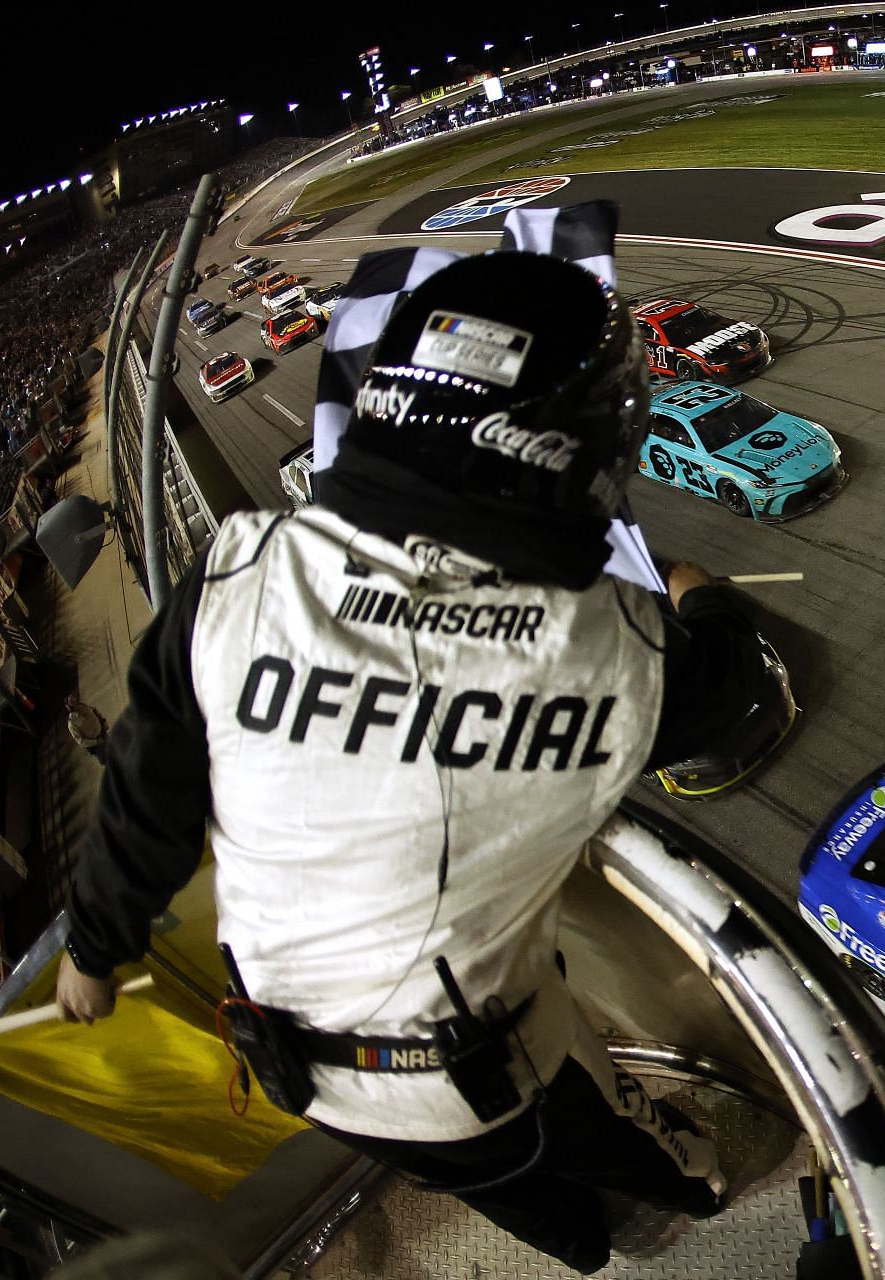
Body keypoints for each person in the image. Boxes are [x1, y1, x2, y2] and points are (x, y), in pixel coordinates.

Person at [54, 230, 760, 1272]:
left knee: (488, 1183)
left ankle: (577, 1248)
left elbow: (146, 794)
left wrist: (91, 947)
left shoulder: (233, 575)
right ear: (575, 444)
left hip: (298, 1064)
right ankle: (693, 1186)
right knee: (608, 1132)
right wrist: (699, 586)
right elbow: (736, 685)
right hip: (480, 1064)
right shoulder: (609, 646)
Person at [65, 694, 108, 761]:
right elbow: (81, 741)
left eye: (74, 698)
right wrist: (97, 742)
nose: (75, 700)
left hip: (103, 733)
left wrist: (103, 721)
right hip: (96, 745)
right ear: (68, 706)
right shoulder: (72, 723)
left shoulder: (83, 705)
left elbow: (95, 711)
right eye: (72, 701)